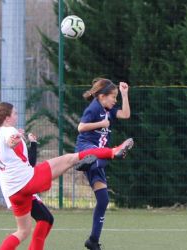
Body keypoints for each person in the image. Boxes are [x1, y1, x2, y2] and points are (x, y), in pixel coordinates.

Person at [0, 101, 133, 250]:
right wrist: (13, 139)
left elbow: (10, 144)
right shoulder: (8, 131)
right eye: (15, 113)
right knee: (71, 158)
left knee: (26, 229)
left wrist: (18, 140)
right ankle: (113, 151)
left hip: (13, 192)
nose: (16, 116)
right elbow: (9, 139)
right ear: (6, 118)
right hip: (28, 181)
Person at [75, 78, 132, 250]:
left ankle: (93, 240)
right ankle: (92, 161)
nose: (115, 100)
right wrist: (101, 124)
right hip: (87, 148)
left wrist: (124, 94)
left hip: (97, 160)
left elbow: (126, 114)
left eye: (116, 96)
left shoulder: (109, 110)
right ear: (101, 96)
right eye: (113, 96)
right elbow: (81, 127)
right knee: (104, 155)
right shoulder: (94, 107)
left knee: (103, 200)